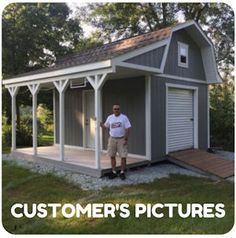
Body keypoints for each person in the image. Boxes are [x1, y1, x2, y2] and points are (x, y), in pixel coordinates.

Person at [100, 104, 131, 180]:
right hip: (112, 139)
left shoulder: (124, 117)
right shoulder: (110, 117)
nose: (116, 110)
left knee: (123, 156)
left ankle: (122, 172)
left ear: (120, 109)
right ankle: (114, 172)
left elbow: (128, 128)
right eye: (115, 109)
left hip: (121, 139)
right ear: (112, 110)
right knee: (112, 155)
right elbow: (105, 126)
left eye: (117, 109)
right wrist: (99, 123)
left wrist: (126, 139)